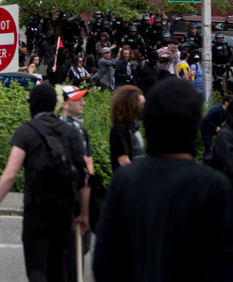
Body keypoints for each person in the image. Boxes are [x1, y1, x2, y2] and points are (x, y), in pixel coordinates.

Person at [94, 78, 233, 281]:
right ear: (195, 124)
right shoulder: (213, 186)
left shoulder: (125, 180)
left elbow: (105, 261)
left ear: (150, 120)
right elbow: (221, 266)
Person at [0, 83, 89, 282]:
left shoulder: (26, 131)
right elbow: (84, 177)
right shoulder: (72, 132)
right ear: (54, 104)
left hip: (37, 209)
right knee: (58, 263)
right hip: (65, 209)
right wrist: (83, 214)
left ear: (32, 105)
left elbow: (11, 173)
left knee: (36, 268)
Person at [58, 85, 94, 282]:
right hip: (71, 198)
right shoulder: (67, 130)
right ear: (64, 104)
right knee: (74, 254)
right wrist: (85, 211)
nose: (83, 102)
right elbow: (84, 170)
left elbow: (89, 165)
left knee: (79, 249)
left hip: (65, 198)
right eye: (78, 99)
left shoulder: (81, 130)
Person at [109, 85, 145, 173]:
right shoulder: (120, 128)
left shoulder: (134, 127)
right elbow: (123, 160)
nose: (144, 107)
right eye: (142, 104)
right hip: (127, 179)